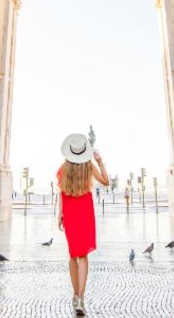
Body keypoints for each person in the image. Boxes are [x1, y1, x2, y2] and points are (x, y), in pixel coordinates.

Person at [57, 132, 108, 316]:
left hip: (70, 212)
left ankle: (75, 295)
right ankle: (80, 298)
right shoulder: (89, 165)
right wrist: (100, 161)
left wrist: (60, 215)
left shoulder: (63, 168)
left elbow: (61, 192)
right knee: (83, 255)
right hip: (85, 212)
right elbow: (106, 181)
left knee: (73, 255)